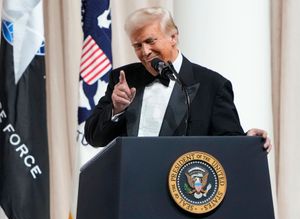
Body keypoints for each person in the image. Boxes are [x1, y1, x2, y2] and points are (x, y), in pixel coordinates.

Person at [84, 7, 271, 151]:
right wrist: (116, 109)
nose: (145, 52)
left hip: (185, 191)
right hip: (131, 187)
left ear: (173, 37)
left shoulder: (212, 85)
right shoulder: (123, 79)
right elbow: (94, 138)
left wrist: (248, 140)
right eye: (137, 45)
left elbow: (228, 142)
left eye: (150, 41)